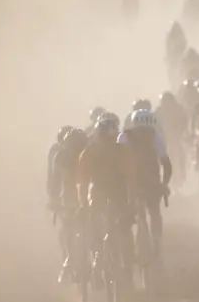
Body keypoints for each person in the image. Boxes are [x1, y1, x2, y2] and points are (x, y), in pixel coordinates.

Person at [77, 116, 134, 285]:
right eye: (105, 136)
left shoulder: (123, 152)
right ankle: (97, 256)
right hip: (99, 192)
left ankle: (127, 262)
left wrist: (131, 203)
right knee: (95, 222)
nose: (107, 142)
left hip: (116, 193)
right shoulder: (89, 153)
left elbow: (131, 179)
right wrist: (83, 204)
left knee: (125, 226)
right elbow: (82, 182)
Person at [118, 109, 173, 263]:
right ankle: (149, 245)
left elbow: (166, 164)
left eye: (146, 131)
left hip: (145, 182)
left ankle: (155, 243)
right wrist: (163, 184)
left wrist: (163, 184)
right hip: (139, 182)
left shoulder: (151, 138)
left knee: (151, 211)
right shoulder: (128, 138)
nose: (144, 134)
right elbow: (166, 164)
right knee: (145, 213)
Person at [50, 128, 88, 283]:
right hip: (70, 198)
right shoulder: (61, 157)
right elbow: (55, 182)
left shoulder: (87, 155)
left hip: (85, 197)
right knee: (67, 229)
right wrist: (55, 200)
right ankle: (69, 259)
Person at [156, 91, 189, 189]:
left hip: (175, 136)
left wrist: (181, 132)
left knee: (181, 154)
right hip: (163, 137)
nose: (167, 104)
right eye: (164, 102)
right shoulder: (158, 111)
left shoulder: (179, 109)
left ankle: (182, 173)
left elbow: (184, 121)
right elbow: (155, 125)